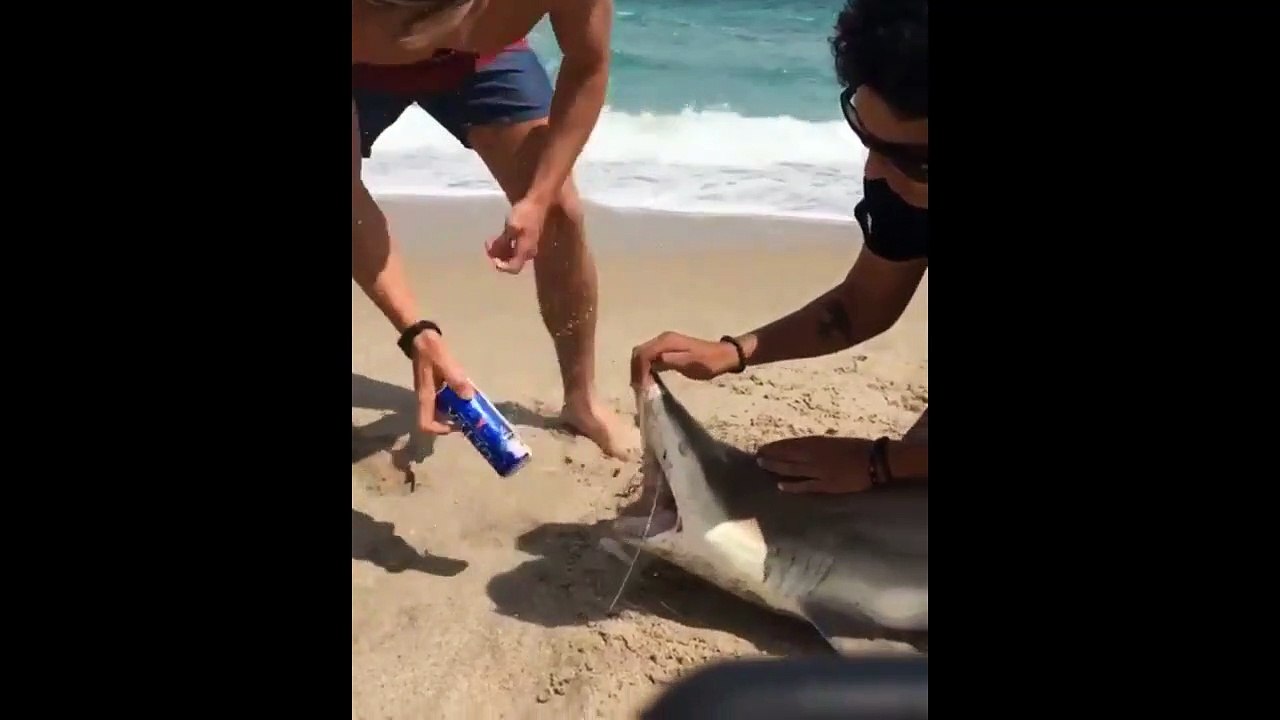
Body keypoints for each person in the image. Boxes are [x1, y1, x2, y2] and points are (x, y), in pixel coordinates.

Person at [630, 0, 929, 494]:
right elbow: (863, 304)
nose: (875, 172)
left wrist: (880, 463)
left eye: (913, 161)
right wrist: (732, 352)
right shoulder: (902, 183)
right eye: (865, 135)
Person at [351, 0, 629, 458]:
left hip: (481, 58)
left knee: (559, 208)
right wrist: (416, 331)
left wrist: (537, 199)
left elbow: (588, 63)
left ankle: (582, 399)